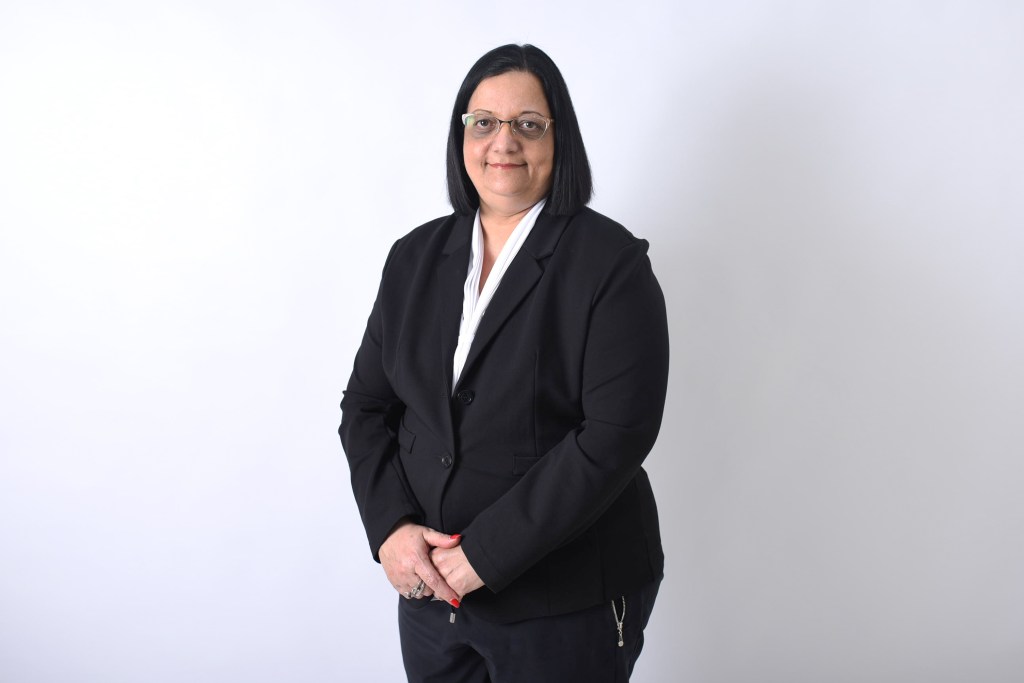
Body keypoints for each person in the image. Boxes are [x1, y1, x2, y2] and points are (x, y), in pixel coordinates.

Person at [339, 43, 669, 683]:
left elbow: (615, 435)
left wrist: (482, 557)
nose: (503, 142)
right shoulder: (412, 257)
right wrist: (392, 530)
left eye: (528, 124)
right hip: (431, 595)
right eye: (484, 122)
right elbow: (366, 407)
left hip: (567, 601)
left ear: (559, 138)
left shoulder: (612, 264)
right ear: (461, 136)